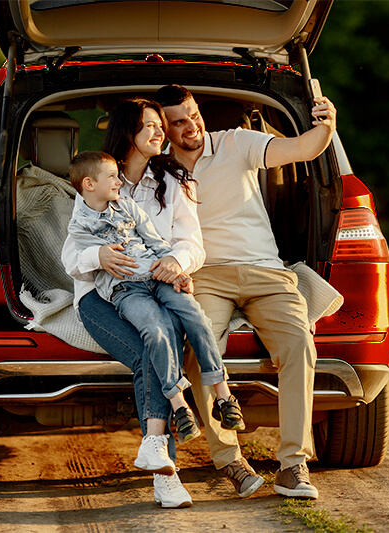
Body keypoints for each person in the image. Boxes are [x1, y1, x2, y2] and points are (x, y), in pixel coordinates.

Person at [61, 99, 264, 509]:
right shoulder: (101, 179)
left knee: (167, 334)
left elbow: (192, 243)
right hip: (103, 294)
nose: (161, 133)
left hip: (159, 280)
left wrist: (176, 261)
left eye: (160, 126)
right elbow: (71, 256)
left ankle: (160, 455)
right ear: (127, 134)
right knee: (150, 350)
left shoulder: (174, 180)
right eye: (150, 126)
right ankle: (166, 473)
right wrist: (96, 258)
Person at [153, 84, 337, 499]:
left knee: (298, 342)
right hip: (206, 277)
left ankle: (293, 465)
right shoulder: (158, 171)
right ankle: (232, 463)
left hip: (265, 272)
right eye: (178, 122)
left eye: (193, 114)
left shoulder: (237, 142)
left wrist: (326, 126)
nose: (191, 126)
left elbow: (304, 148)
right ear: (163, 128)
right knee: (201, 351)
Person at [65, 150, 246, 442]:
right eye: (111, 177)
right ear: (89, 184)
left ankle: (224, 395)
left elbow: (156, 243)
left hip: (157, 276)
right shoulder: (79, 226)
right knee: (155, 331)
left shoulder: (127, 206)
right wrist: (97, 256)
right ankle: (179, 406)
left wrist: (177, 270)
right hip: (125, 290)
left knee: (196, 317)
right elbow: (78, 264)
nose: (117, 182)